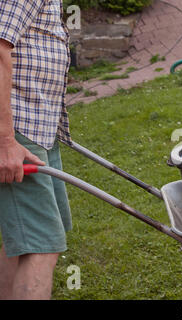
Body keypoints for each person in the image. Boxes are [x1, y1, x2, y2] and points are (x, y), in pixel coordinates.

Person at [0, 0, 72, 299]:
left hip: (38, 128)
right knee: (42, 244)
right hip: (17, 132)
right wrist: (4, 141)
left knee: (26, 241)